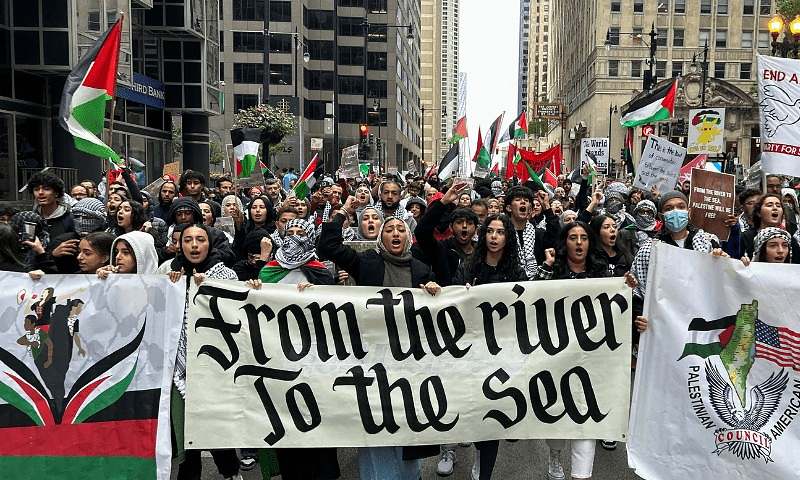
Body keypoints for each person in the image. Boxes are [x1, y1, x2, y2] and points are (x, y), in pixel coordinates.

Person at [318, 208, 441, 480]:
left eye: (400, 229)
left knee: (406, 424)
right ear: (381, 238)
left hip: (408, 362)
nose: (395, 233)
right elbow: (328, 246)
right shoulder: (367, 263)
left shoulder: (421, 270)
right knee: (375, 423)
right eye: (389, 229)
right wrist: (341, 213)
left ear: (407, 236)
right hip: (372, 361)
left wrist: (433, 291)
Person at [449, 213, 526, 479]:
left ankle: (484, 472)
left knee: (492, 417)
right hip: (471, 351)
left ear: (508, 238)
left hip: (501, 353)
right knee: (474, 411)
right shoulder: (468, 266)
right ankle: (474, 453)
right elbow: (452, 299)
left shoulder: (516, 272)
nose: (494, 237)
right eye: (490, 231)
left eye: (500, 232)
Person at [167, 224, 242, 480]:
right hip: (180, 370)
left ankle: (230, 471)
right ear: (180, 245)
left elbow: (238, 312)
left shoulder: (226, 275)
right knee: (187, 432)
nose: (194, 245)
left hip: (215, 367)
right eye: (188, 240)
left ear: (210, 243)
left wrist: (210, 289)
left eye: (200, 239)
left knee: (215, 427)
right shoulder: (169, 273)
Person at [416, 181, 479, 285]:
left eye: (469, 223)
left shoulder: (481, 252)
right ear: (451, 227)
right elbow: (421, 232)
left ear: (476, 229)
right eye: (459, 222)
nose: (464, 226)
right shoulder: (441, 249)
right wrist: (443, 202)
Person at [505, 185, 558, 280]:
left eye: (526, 200)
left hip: (537, 284)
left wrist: (546, 205)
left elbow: (556, 236)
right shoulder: (503, 234)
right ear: (509, 208)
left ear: (530, 209)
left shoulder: (539, 234)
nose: (523, 202)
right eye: (518, 199)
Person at [27, 170, 74, 238]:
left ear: (56, 193)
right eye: (36, 189)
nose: (40, 192)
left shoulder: (70, 219)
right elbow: (28, 241)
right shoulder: (30, 218)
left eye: (46, 189)